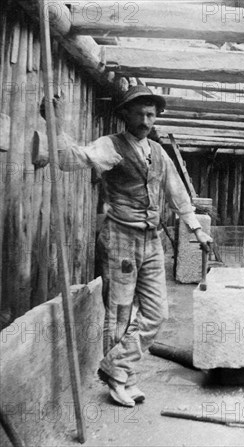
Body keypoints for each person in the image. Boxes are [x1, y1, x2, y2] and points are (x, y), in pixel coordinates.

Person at [45, 86, 212, 407]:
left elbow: (177, 193)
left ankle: (115, 367)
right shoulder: (110, 146)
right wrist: (55, 123)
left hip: (150, 240)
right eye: (139, 114)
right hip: (120, 238)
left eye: (151, 115)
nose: (146, 121)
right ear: (125, 114)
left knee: (157, 313)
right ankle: (122, 379)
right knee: (120, 312)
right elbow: (69, 159)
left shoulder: (158, 152)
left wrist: (196, 229)